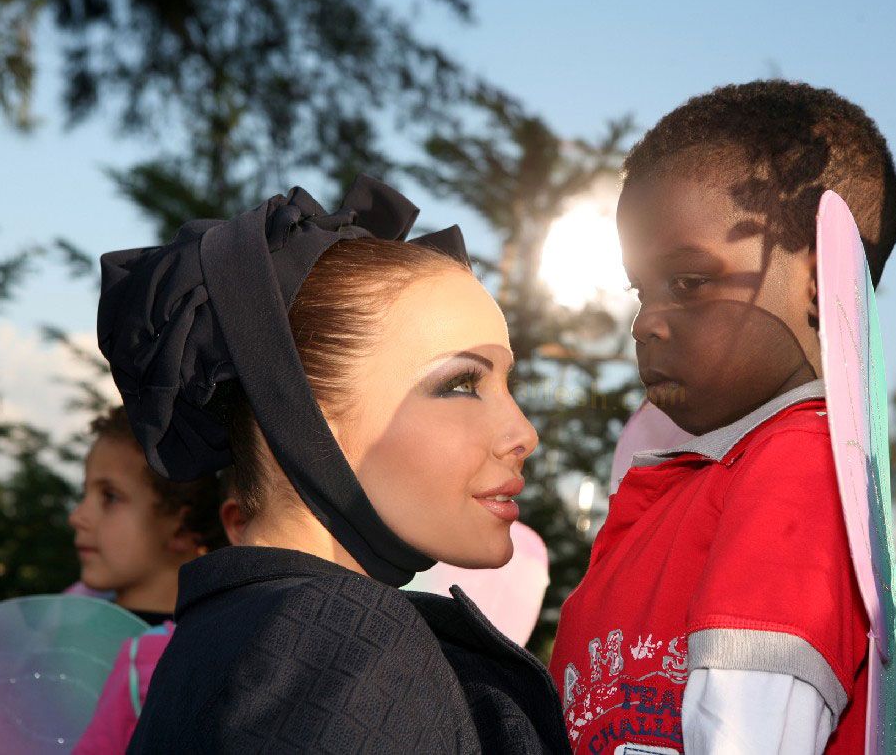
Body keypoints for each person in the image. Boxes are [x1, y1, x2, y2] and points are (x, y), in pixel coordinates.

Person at [97, 176, 569, 753]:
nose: (524, 433)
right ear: (307, 414)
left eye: (507, 385)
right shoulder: (347, 643)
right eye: (461, 384)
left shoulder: (227, 631)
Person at [548, 80, 896, 754]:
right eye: (640, 290)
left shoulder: (801, 470)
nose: (645, 322)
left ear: (820, 283)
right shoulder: (690, 488)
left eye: (688, 283)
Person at [70, 406, 225, 753]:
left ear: (179, 525)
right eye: (85, 493)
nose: (77, 516)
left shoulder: (193, 661)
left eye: (109, 497)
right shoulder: (64, 617)